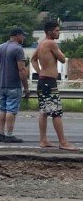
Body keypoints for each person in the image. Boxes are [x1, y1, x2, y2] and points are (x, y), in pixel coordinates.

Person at [30, 20, 77, 151]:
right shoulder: (50, 43)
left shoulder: (41, 44)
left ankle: (43, 140)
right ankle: (63, 142)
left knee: (44, 111)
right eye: (56, 30)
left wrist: (40, 72)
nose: (58, 32)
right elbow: (62, 58)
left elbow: (33, 59)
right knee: (56, 112)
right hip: (49, 82)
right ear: (50, 32)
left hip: (42, 80)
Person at [0, 27, 29, 143]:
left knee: (2, 108)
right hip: (13, 84)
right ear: (17, 35)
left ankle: (0, 133)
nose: (23, 38)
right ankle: (9, 135)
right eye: (23, 35)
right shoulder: (18, 49)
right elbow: (21, 70)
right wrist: (26, 87)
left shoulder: (0, 47)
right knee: (11, 110)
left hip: (1, 84)